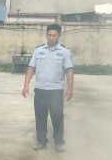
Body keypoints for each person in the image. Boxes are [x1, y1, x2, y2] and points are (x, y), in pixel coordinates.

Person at [22, 24, 75, 152]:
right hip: (40, 90)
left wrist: (70, 88)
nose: (51, 37)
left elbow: (69, 70)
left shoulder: (64, 52)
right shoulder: (38, 51)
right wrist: (26, 85)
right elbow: (31, 68)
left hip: (56, 90)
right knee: (40, 117)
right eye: (49, 35)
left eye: (54, 35)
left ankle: (59, 142)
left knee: (57, 117)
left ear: (58, 36)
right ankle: (41, 141)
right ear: (46, 35)